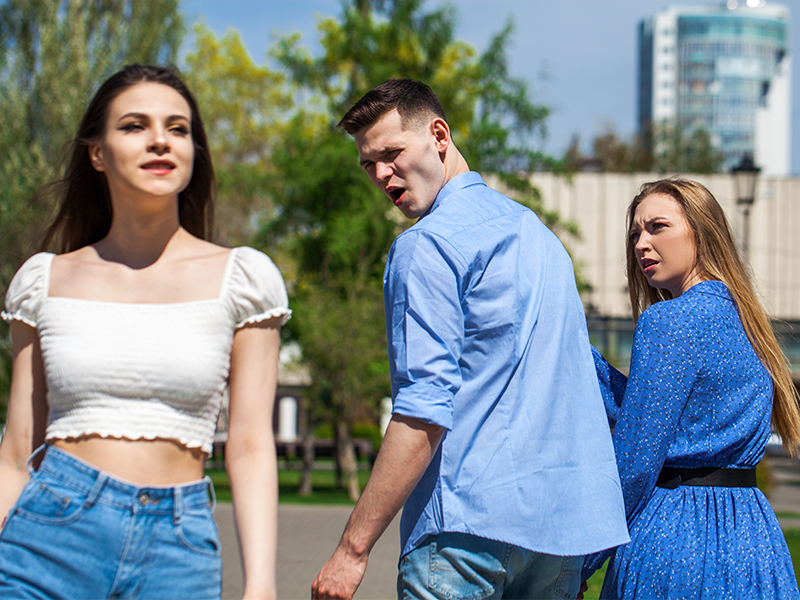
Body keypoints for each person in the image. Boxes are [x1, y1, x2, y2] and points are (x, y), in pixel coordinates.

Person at [311, 78, 629, 600]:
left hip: (465, 533)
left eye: (391, 153)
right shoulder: (542, 238)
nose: (380, 174)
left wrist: (352, 549)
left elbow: (422, 410)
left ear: (439, 134)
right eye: (368, 164)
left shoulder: (427, 246)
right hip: (560, 537)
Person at [0, 64, 290, 600]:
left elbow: (250, 444)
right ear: (97, 152)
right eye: (135, 125)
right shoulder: (43, 280)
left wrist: (261, 585)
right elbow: (18, 450)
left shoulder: (245, 279)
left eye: (178, 128)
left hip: (178, 549)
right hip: (48, 537)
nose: (160, 139)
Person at [582, 179, 800, 599]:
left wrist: (582, 562)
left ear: (701, 232)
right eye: (634, 234)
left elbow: (635, 462)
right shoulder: (747, 321)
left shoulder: (669, 321)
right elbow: (666, 416)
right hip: (752, 537)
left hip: (677, 534)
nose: (642, 243)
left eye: (657, 227)